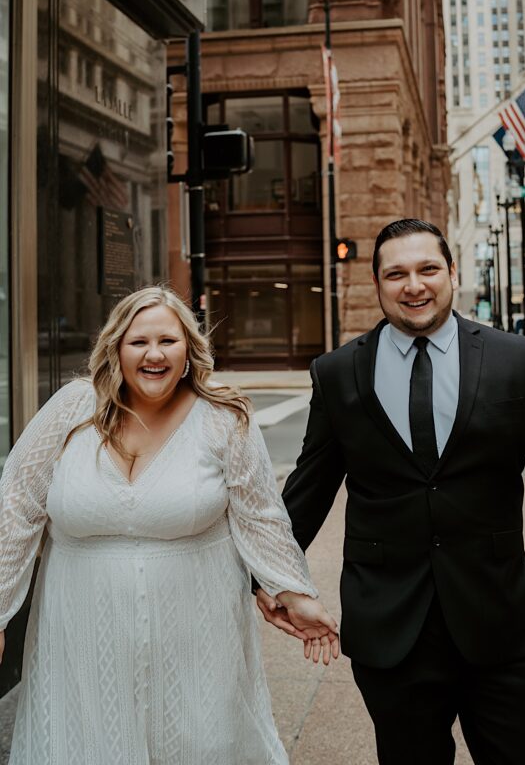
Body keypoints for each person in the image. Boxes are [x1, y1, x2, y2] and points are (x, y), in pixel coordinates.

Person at [257, 219, 525, 765]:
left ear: (452, 273)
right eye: (397, 274)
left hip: (501, 623)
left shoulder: (513, 360)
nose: (414, 285)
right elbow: (307, 492)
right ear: (378, 284)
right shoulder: (338, 374)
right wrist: (270, 578)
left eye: (428, 269)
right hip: (390, 629)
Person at [0, 286, 338, 765]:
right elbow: (14, 506)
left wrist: (293, 590)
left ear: (189, 350)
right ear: (116, 347)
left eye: (168, 341)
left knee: (202, 744)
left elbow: (261, 515)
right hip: (79, 634)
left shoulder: (223, 419)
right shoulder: (72, 408)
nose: (153, 354)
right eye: (138, 342)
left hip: (198, 632)